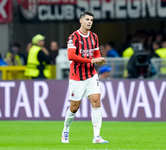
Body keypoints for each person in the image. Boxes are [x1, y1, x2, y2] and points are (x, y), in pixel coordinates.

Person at [61, 11, 108, 144]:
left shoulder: (94, 37)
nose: (89, 22)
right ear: (81, 21)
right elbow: (71, 56)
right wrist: (91, 61)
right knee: (75, 107)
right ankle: (65, 129)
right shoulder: (73, 37)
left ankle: (97, 136)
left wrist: (99, 60)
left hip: (91, 75)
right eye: (87, 19)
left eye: (91, 20)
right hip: (77, 76)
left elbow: (96, 54)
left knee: (96, 100)